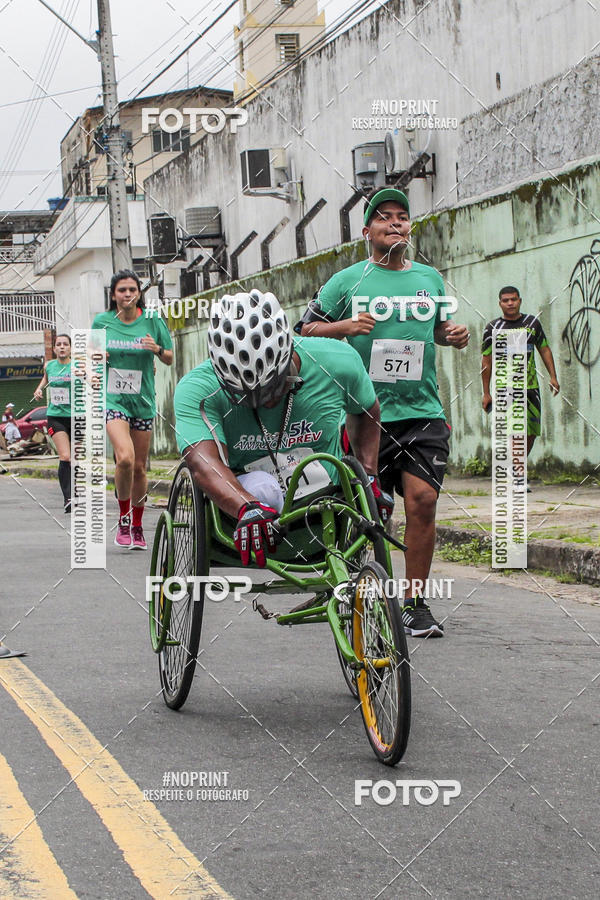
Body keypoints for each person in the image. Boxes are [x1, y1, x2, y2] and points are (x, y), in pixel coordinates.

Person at [297, 187, 470, 638]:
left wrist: (452, 334)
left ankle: (415, 603)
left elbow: (436, 330)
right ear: (367, 230)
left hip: (422, 410)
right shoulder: (347, 281)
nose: (394, 223)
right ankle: (365, 593)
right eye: (384, 217)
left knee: (424, 502)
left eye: (402, 217)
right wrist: (346, 326)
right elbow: (304, 328)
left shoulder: (430, 280)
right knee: (370, 513)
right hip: (364, 412)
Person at [174, 289, 386, 568]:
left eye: (274, 386)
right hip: (246, 496)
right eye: (248, 395)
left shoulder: (339, 362)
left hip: (326, 499)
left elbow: (367, 411)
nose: (267, 401)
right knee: (263, 489)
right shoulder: (197, 390)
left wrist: (369, 473)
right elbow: (203, 463)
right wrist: (246, 506)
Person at [92, 269, 173, 550]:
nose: (127, 294)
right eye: (121, 290)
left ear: (138, 293)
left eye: (132, 290)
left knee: (139, 468)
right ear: (113, 295)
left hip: (143, 401)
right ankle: (123, 517)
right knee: (124, 459)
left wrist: (156, 350)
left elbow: (170, 358)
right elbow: (88, 360)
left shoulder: (152, 320)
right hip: (114, 400)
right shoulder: (102, 322)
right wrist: (96, 356)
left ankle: (137, 525)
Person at [481, 286, 560, 460]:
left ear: (520, 301)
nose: (510, 303)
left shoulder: (532, 323)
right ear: (500, 303)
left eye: (513, 299)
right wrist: (486, 392)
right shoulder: (492, 328)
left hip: (530, 387)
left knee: (530, 432)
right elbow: (486, 362)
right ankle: (516, 474)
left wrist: (553, 376)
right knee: (514, 432)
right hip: (506, 389)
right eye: (506, 300)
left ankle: (517, 467)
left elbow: (544, 349)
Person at [34, 334, 73, 512]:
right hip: (56, 416)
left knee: (77, 459)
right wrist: (39, 389)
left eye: (65, 344)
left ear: (71, 348)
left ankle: (79, 492)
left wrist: (92, 381)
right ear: (55, 349)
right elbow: (46, 378)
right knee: (65, 456)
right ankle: (68, 498)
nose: (62, 347)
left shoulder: (78, 366)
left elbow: (90, 378)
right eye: (59, 344)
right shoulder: (50, 366)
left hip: (77, 416)